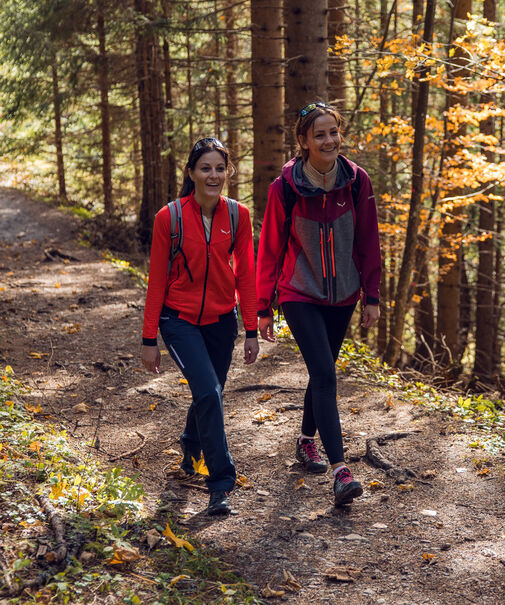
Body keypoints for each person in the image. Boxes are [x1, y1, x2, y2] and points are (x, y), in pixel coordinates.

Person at [256, 101, 382, 507]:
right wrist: (262, 306)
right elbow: (270, 248)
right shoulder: (286, 188)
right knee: (326, 373)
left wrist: (372, 294)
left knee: (321, 371)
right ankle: (341, 470)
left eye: (334, 132)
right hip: (299, 292)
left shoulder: (356, 182)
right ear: (304, 141)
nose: (329, 140)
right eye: (320, 134)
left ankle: (306, 440)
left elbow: (368, 241)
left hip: (344, 294)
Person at [141, 137, 258, 515]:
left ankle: (191, 445)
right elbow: (157, 279)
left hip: (223, 321)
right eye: (205, 168)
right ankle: (221, 483)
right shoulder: (169, 217)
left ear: (228, 172)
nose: (213, 175)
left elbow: (247, 276)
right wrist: (149, 339)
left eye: (220, 168)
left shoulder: (239, 215)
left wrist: (251, 330)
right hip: (178, 321)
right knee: (209, 393)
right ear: (191, 173)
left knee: (211, 392)